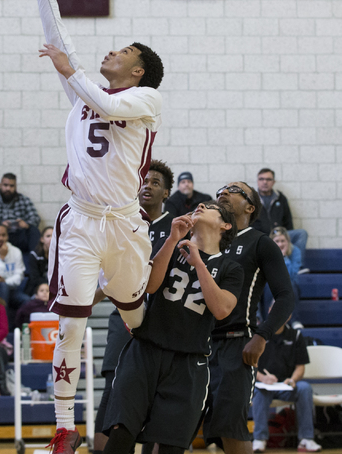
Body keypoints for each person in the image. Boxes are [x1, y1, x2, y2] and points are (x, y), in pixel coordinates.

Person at [36, 0, 164, 454]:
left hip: (126, 225)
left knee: (134, 316)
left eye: (120, 52)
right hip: (84, 222)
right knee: (71, 321)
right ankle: (64, 426)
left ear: (137, 72)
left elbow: (104, 101)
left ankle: (150, 388)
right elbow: (59, 44)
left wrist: (72, 70)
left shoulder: (147, 99)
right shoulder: (86, 94)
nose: (109, 53)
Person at [102, 203, 244, 454]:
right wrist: (172, 238)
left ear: (226, 225)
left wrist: (199, 263)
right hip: (145, 351)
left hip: (188, 363)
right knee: (122, 433)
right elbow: (151, 286)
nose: (201, 206)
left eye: (210, 207)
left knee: (171, 446)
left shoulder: (231, 268)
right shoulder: (172, 247)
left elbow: (222, 309)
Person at [203, 182, 295, 454]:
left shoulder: (261, 242)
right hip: (196, 345)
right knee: (173, 424)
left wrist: (262, 336)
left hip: (236, 343)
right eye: (220, 188)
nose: (223, 191)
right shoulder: (208, 241)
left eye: (233, 189)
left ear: (250, 207)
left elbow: (285, 297)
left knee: (230, 427)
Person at [94, 159, 175, 454]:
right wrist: (90, 298)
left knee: (157, 393)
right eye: (144, 180)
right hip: (124, 314)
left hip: (161, 318)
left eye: (155, 182)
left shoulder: (176, 228)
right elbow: (111, 273)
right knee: (112, 388)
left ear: (166, 193)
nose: (148, 186)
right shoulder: (123, 223)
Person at [252, 319, 321, 453]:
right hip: (265, 385)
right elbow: (249, 364)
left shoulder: (295, 335)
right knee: (258, 391)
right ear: (270, 310)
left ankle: (306, 438)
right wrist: (262, 377)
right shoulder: (258, 334)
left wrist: (293, 379)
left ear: (288, 315)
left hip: (287, 385)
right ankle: (259, 438)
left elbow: (300, 367)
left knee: (304, 388)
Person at [254, 168, 308, 270]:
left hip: (280, 235)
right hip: (262, 237)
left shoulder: (281, 198)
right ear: (257, 181)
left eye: (268, 179)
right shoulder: (252, 200)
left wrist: (285, 238)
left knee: (302, 233)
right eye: (261, 179)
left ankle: (297, 267)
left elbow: (288, 221)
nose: (265, 182)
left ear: (273, 182)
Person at [0, 173, 41, 253]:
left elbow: (35, 218)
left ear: (15, 187)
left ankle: (36, 260)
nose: (8, 188)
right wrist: (0, 225)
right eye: (5, 185)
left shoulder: (24, 200)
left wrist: (26, 224)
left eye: (11, 186)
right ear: (0, 185)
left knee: (33, 230)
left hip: (19, 235)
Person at [261, 227, 303, 329]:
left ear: (288, 241)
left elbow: (292, 275)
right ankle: (267, 320)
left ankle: (294, 320)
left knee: (291, 284)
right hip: (270, 285)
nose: (280, 244)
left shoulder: (295, 251)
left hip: (289, 284)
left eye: (283, 241)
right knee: (267, 286)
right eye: (277, 241)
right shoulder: (265, 252)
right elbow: (266, 275)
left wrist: (283, 257)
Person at [25, 226, 53, 296]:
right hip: (36, 288)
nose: (51, 239)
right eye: (48, 236)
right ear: (42, 239)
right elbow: (35, 278)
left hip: (54, 288)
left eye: (54, 236)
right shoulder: (34, 255)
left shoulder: (61, 256)